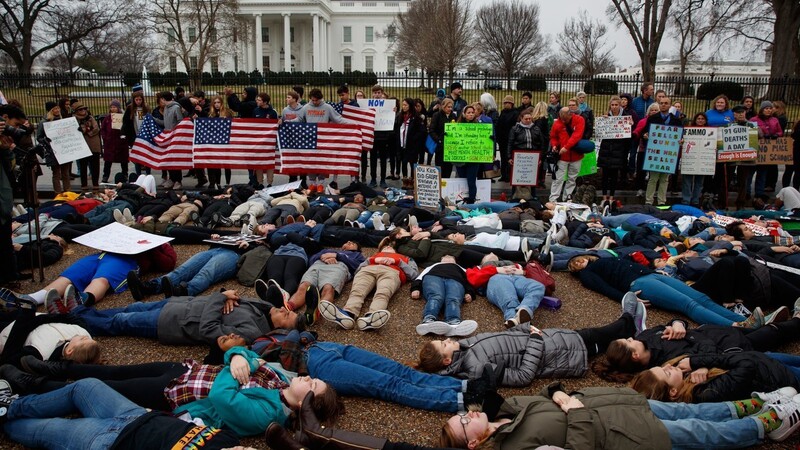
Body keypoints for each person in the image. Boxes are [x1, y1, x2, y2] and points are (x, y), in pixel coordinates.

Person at [440, 382, 800, 448]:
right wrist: (576, 412)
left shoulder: (507, 408)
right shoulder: (513, 448)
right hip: (624, 435)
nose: (469, 417)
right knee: (702, 432)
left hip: (618, 404)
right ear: (473, 444)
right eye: (465, 425)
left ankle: (755, 404)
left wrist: (560, 393)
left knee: (693, 411)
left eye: (464, 416)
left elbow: (546, 394)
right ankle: (769, 423)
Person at [417, 302, 643, 387]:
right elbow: (523, 377)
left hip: (551, 340)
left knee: (599, 335)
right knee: (600, 337)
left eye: (442, 339)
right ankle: (630, 321)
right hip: (560, 353)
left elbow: (501, 337)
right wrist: (535, 340)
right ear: (447, 360)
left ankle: (629, 324)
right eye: (444, 344)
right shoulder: (477, 370)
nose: (448, 339)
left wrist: (525, 329)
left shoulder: (465, 346)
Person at [0, 378, 242, 449]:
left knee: (45, 429)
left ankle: (3, 421)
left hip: (111, 441)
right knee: (85, 386)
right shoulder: (229, 438)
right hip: (136, 415)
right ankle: (11, 406)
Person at [596, 309, 800, 382]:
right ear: (634, 356)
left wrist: (677, 324)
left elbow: (669, 323)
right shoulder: (668, 364)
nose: (632, 338)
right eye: (629, 342)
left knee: (773, 333)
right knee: (774, 337)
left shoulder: (647, 338)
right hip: (732, 347)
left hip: (716, 331)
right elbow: (706, 349)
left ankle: (791, 321)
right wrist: (698, 362)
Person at [50, 287, 300, 346]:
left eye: (287, 317)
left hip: (172, 323)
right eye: (287, 309)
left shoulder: (252, 333)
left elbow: (209, 329)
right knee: (126, 309)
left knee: (119, 323)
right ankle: (79, 311)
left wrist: (220, 297)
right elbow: (237, 296)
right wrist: (228, 295)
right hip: (178, 304)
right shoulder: (260, 309)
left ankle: (68, 318)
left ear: (280, 331)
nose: (284, 310)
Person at [569, 255, 759, 328]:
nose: (579, 263)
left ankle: (744, 321)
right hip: (638, 284)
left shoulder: (603, 258)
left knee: (702, 297)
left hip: (652, 275)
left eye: (578, 259)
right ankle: (734, 326)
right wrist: (626, 298)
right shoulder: (588, 273)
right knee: (688, 304)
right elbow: (603, 288)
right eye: (575, 265)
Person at [632, 351, 800, 405]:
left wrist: (701, 365)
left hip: (766, 361)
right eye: (667, 373)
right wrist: (698, 362)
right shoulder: (705, 393)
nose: (668, 366)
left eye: (662, 367)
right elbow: (747, 365)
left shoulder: (687, 377)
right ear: (673, 392)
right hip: (780, 376)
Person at [319, 240, 418, 331]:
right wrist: (371, 261)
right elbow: (358, 269)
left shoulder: (405, 258)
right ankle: (348, 314)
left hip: (392, 271)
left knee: (383, 293)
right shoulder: (374, 256)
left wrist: (398, 262)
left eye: (390, 247)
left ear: (395, 251)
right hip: (368, 270)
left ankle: (372, 316)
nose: (387, 247)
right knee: (357, 291)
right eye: (385, 247)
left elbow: (413, 274)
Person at [411, 255, 478, 337]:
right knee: (436, 296)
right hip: (434, 276)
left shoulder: (460, 268)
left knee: (453, 299)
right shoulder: (433, 266)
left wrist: (470, 292)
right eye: (445, 257)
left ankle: (453, 322)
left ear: (455, 261)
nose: (448, 257)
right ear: (441, 260)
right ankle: (428, 320)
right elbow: (420, 277)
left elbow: (469, 280)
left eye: (451, 257)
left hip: (455, 279)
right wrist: (416, 288)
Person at [643, 96, 681, 206]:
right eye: (661, 103)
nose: (663, 105)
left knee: (664, 179)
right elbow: (645, 132)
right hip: (655, 152)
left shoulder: (676, 120)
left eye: (666, 103)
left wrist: (681, 140)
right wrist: (645, 135)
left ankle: (661, 202)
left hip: (668, 154)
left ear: (670, 105)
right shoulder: (652, 118)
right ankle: (649, 201)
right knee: (653, 178)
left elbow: (680, 136)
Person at [597, 96, 631, 205]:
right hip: (606, 150)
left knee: (614, 176)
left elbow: (629, 136)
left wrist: (630, 125)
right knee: (605, 175)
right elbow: (599, 133)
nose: (614, 107)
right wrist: (602, 122)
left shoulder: (625, 117)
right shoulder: (606, 117)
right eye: (612, 105)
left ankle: (611, 197)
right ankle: (604, 197)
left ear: (620, 105)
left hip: (618, 150)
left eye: (616, 105)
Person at [507, 107, 546, 200]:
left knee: (532, 177)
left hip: (533, 156)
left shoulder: (536, 128)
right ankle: (514, 196)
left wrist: (541, 158)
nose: (528, 120)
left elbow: (542, 144)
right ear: (521, 119)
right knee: (517, 177)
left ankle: (533, 196)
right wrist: (509, 157)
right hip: (519, 155)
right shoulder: (515, 129)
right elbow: (510, 143)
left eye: (530, 119)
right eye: (526, 119)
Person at [548, 106, 585, 202]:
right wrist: (554, 145)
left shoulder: (579, 120)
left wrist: (566, 147)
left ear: (570, 114)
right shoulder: (557, 123)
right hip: (562, 156)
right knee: (558, 178)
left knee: (572, 178)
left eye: (565, 119)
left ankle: (567, 197)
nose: (563, 121)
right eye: (562, 119)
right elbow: (553, 137)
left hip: (576, 155)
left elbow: (577, 136)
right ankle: (553, 199)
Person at [36, 101, 71, 194]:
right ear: (50, 111)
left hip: (63, 149)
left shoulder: (62, 120)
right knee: (56, 173)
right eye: (55, 109)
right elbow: (39, 137)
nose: (57, 110)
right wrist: (46, 140)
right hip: (52, 151)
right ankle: (58, 193)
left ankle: (68, 191)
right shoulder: (44, 122)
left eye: (58, 108)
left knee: (65, 173)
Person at [72, 102, 101, 191]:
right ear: (76, 111)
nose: (83, 111)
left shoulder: (90, 118)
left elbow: (96, 128)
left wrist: (86, 131)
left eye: (84, 109)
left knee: (95, 165)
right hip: (82, 145)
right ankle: (84, 184)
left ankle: (95, 183)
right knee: (83, 166)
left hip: (93, 144)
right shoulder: (74, 120)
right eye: (80, 109)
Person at [681, 112, 709, 206]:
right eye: (698, 119)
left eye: (702, 119)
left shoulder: (710, 131)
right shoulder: (688, 130)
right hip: (690, 158)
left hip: (703, 159)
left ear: (705, 120)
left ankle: (695, 201)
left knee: (699, 182)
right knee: (687, 181)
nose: (700, 120)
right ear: (695, 120)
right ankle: (686, 200)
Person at [455, 105, 481, 204]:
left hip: (473, 159)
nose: (470, 114)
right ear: (464, 114)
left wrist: (488, 138)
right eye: (468, 113)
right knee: (461, 180)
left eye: (472, 112)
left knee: (471, 181)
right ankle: (459, 200)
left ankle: (471, 201)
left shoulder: (479, 126)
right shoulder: (457, 126)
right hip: (460, 159)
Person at [121, 92, 151, 176]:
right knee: (137, 157)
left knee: (147, 156)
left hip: (145, 135)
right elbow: (126, 123)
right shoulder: (130, 108)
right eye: (136, 100)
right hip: (135, 135)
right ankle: (138, 174)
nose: (138, 101)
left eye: (140, 99)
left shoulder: (146, 108)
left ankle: (148, 173)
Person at [100, 99, 129, 183]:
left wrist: (124, 137)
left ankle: (125, 175)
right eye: (111, 107)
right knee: (108, 161)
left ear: (118, 108)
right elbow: (103, 129)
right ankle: (105, 176)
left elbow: (127, 128)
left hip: (121, 143)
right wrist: (105, 138)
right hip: (110, 143)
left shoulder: (123, 117)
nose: (113, 109)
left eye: (114, 107)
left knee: (124, 161)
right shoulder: (107, 118)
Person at [431, 98, 458, 178]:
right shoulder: (437, 115)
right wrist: (438, 140)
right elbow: (432, 130)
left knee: (448, 168)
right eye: (448, 107)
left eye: (451, 107)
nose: (450, 109)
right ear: (443, 106)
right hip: (440, 146)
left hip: (450, 147)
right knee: (440, 168)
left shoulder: (453, 116)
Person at [496, 96, 518, 182]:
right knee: (503, 157)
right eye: (505, 103)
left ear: (512, 104)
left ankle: (509, 175)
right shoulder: (503, 112)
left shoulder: (515, 113)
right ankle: (503, 175)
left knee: (509, 158)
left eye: (508, 103)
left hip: (510, 139)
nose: (506, 104)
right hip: (502, 139)